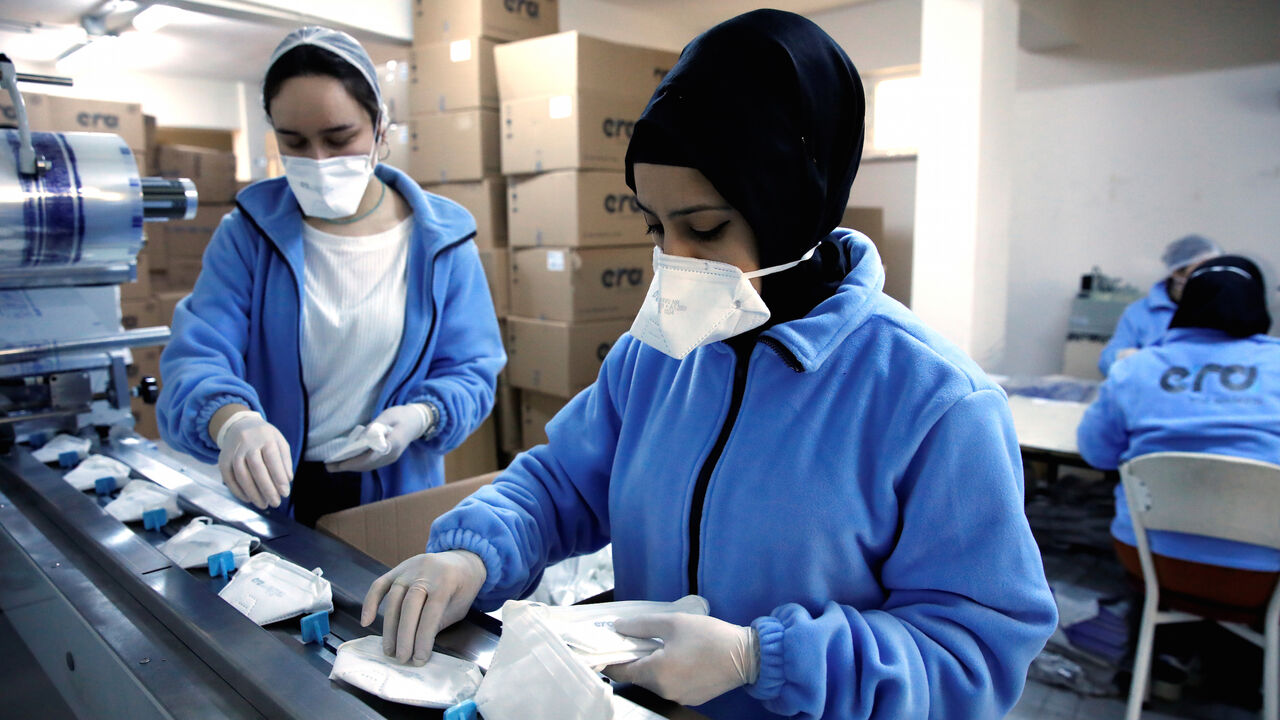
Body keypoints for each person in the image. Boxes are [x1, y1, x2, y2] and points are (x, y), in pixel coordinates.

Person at [361, 11, 1056, 719]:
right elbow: (561, 482)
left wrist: (760, 659)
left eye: (704, 228)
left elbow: (974, 653)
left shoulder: (933, 403)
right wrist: (475, 552)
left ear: (792, 205)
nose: (672, 264)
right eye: (655, 229)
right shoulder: (656, 356)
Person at [156, 27, 505, 526]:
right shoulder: (248, 237)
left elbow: (471, 368)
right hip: (271, 494)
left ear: (381, 128)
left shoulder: (441, 242)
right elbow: (197, 357)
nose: (318, 161)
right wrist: (234, 421)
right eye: (294, 142)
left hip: (393, 494)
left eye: (339, 138)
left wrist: (421, 416)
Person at [1078, 255, 1280, 609]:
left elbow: (1097, 454)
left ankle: (1147, 656)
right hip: (1263, 573)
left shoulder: (1135, 369)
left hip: (1152, 560)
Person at [1098, 234, 1221, 376]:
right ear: (1177, 272)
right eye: (1199, 271)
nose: (1208, 278)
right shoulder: (1140, 312)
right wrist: (1124, 357)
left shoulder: (1221, 309)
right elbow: (1106, 362)